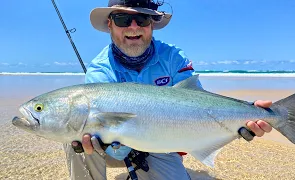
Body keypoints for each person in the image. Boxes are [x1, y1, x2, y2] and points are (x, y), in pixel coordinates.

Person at [63, 0, 273, 179]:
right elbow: (107, 139)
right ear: (110, 24)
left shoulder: (173, 57)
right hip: (110, 149)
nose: (133, 27)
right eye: (123, 19)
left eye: (143, 19)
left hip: (162, 145)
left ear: (152, 24)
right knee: (75, 140)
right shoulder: (100, 70)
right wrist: (114, 144)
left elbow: (197, 103)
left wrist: (243, 117)